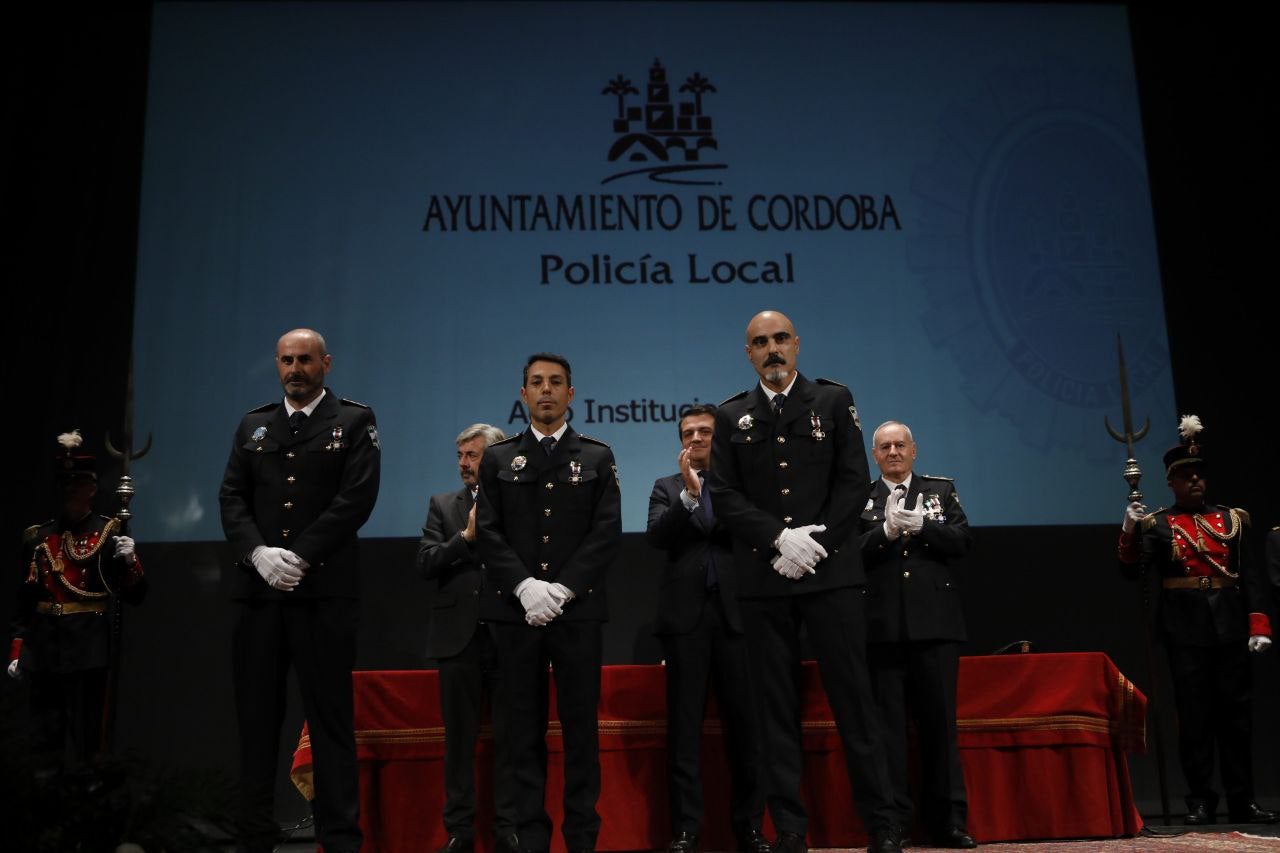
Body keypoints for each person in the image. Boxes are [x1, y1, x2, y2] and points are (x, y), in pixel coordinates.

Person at [706, 310, 901, 853]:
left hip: (831, 574)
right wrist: (777, 539)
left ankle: (882, 825)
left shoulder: (833, 401)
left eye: (780, 339)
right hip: (765, 579)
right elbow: (723, 494)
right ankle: (790, 829)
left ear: (797, 345)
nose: (772, 349)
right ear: (748, 353)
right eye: (760, 342)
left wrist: (814, 546)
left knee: (855, 703)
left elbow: (852, 482)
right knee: (774, 711)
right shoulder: (730, 415)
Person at [219, 328, 381, 853]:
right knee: (256, 724)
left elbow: (355, 499)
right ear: (276, 363)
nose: (295, 368)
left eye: (305, 360)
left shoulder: (353, 421)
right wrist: (258, 554)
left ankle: (339, 840)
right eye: (287, 360)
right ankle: (253, 837)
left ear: (326, 364)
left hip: (323, 595)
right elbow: (231, 498)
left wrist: (299, 556)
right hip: (259, 595)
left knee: (330, 723)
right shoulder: (254, 424)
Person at [476, 353, 621, 853]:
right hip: (514, 613)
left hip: (577, 612)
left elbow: (605, 533)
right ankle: (529, 840)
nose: (546, 391)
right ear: (523, 394)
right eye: (536, 383)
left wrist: (561, 590)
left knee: (581, 732)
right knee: (521, 733)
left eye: (556, 383)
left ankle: (582, 839)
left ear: (571, 394)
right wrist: (524, 587)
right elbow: (489, 533)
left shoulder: (597, 456)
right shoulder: (498, 459)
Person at [1117, 415, 1275, 826]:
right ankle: (1200, 799)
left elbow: (1251, 577)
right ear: (1171, 482)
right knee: (1195, 720)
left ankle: (1242, 799)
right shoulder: (1159, 524)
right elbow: (1131, 570)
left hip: (1230, 626)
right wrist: (1130, 529)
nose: (1196, 483)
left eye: (1200, 476)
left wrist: (1258, 625)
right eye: (1186, 477)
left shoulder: (1233, 521)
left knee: (1236, 720)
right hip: (1185, 630)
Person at [646, 404, 767, 853]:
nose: (695, 439)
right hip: (686, 620)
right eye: (687, 433)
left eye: (704, 432)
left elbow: (751, 534)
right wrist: (690, 498)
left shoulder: (742, 484)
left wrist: (715, 494)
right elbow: (658, 535)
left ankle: (751, 828)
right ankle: (685, 829)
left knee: (747, 729)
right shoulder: (666, 487)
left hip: (739, 617)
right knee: (684, 730)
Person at [857, 422, 975, 849]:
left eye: (899, 445)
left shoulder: (940, 492)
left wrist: (926, 527)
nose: (892, 452)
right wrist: (884, 533)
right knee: (888, 732)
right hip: (883, 628)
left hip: (935, 626)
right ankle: (896, 825)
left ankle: (950, 823)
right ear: (874, 454)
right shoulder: (861, 497)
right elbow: (849, 554)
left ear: (914, 450)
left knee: (941, 728)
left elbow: (962, 541)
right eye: (884, 446)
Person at [8, 430, 145, 767]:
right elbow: (25, 599)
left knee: (87, 737)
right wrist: (18, 648)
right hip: (45, 647)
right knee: (43, 736)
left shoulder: (108, 533)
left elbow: (135, 595)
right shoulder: (39, 537)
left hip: (88, 647)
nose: (70, 491)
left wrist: (129, 561)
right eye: (65, 484)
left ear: (92, 489)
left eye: (77, 484)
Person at [417, 423, 518, 853]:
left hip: (509, 633)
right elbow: (425, 563)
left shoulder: (520, 500)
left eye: (472, 456)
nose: (463, 464)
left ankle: (509, 828)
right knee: (459, 741)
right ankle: (459, 830)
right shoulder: (443, 505)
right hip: (458, 638)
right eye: (460, 456)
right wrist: (465, 538)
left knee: (513, 739)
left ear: (493, 457)